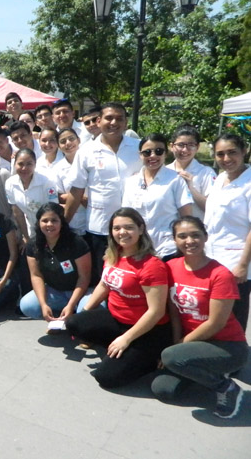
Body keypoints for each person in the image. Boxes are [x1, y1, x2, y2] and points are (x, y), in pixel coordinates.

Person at [150, 216, 248, 419]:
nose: (189, 241)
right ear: (174, 240)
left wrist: (178, 348)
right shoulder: (171, 266)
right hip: (193, 344)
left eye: (195, 235)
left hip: (227, 346)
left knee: (171, 357)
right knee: (163, 388)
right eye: (182, 236)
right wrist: (176, 345)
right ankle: (204, 371)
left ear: (205, 237)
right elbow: (174, 311)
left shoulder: (220, 274)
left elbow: (215, 323)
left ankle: (226, 387)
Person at [66, 208, 172, 389]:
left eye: (129, 227)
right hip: (117, 319)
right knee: (74, 323)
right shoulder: (113, 255)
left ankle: (151, 358)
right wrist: (84, 312)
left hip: (147, 330)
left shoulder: (152, 265)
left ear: (141, 229)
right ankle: (121, 350)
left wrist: (126, 338)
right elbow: (104, 285)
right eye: (117, 228)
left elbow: (156, 312)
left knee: (105, 377)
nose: (122, 232)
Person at [64, 103, 142, 284]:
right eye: (109, 118)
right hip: (100, 228)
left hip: (133, 229)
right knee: (104, 278)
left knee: (132, 278)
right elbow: (76, 190)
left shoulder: (139, 148)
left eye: (119, 119)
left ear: (126, 122)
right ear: (99, 121)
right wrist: (64, 223)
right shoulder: (86, 151)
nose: (114, 122)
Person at [204, 133, 251, 331]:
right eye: (220, 154)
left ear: (244, 151)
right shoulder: (221, 178)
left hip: (235, 262)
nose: (226, 158)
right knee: (211, 317)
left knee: (233, 320)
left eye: (232, 152)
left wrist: (242, 265)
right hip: (212, 258)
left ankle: (237, 352)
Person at [122, 134, 193, 260]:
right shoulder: (131, 182)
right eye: (147, 152)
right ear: (140, 155)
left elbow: (186, 217)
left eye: (158, 151)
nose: (153, 156)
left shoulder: (175, 180)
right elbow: (126, 217)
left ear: (166, 153)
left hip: (168, 249)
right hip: (138, 248)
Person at [19, 203, 92, 321]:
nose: (49, 224)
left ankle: (72, 316)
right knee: (27, 305)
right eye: (45, 221)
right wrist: (43, 305)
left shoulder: (76, 243)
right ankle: (57, 319)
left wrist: (71, 305)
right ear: (38, 223)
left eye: (54, 220)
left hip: (81, 292)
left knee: (88, 311)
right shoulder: (33, 245)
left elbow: (84, 277)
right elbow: (36, 275)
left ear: (61, 223)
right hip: (56, 292)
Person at [6, 148, 59, 243]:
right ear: (14, 164)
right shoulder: (10, 183)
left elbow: (54, 211)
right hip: (32, 230)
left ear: (35, 164)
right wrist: (26, 237)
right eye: (20, 164)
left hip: (51, 229)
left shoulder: (47, 182)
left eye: (29, 164)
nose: (24, 168)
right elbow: (18, 214)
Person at [166, 125, 216, 219]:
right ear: (172, 146)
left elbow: (212, 208)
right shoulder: (165, 171)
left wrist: (191, 188)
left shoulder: (206, 173)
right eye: (180, 145)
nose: (185, 150)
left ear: (197, 147)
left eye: (191, 145)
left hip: (195, 226)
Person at [54, 128, 87, 236]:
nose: (68, 143)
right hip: (73, 223)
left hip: (93, 220)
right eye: (63, 141)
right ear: (59, 146)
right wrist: (80, 198)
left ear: (79, 140)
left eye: (71, 139)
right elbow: (59, 196)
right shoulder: (58, 168)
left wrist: (72, 196)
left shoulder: (91, 161)